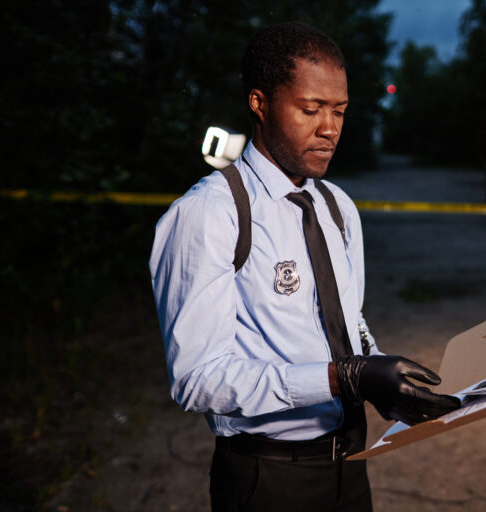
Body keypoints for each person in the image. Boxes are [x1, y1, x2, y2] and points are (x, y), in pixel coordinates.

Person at [149, 21, 460, 512]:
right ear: (259, 102)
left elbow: (346, 321)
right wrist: (344, 377)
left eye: (339, 110)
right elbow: (197, 380)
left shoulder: (337, 206)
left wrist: (381, 377)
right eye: (310, 109)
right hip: (266, 478)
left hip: (350, 467)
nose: (330, 128)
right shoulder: (211, 213)